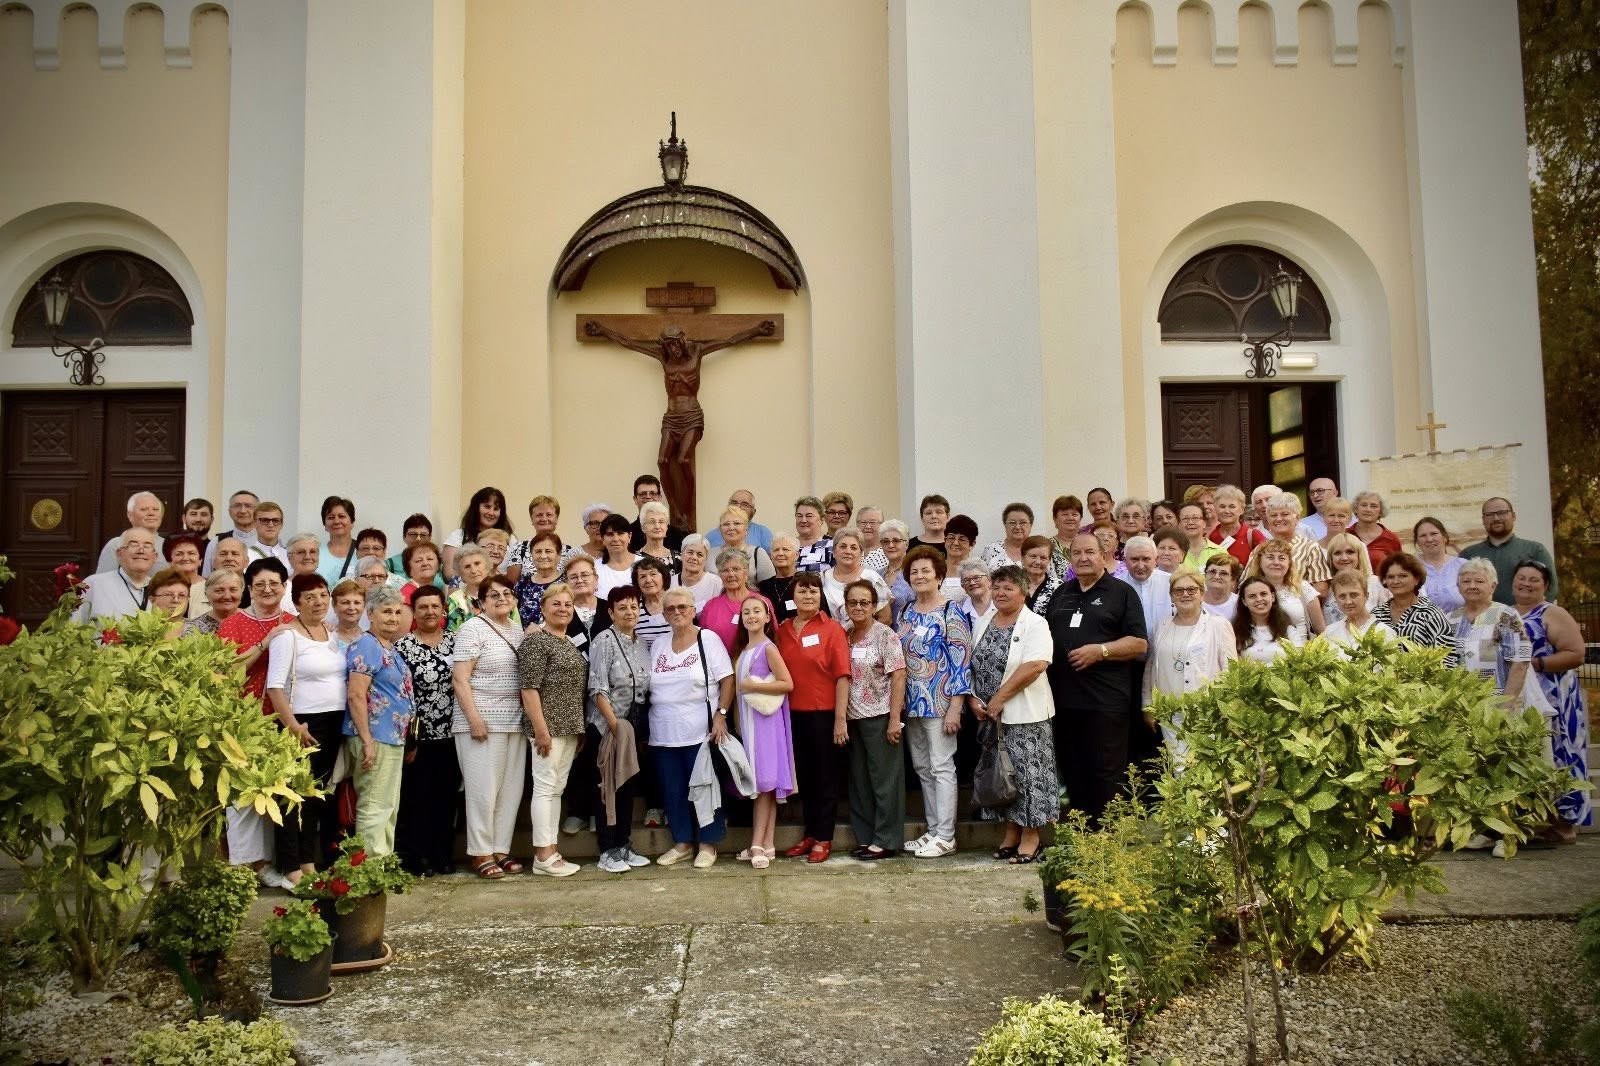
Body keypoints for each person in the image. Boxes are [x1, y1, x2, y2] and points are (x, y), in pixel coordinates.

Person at [1046, 533, 1150, 825]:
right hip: (1064, 702)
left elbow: (1139, 643)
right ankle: (1081, 836)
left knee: (1105, 772)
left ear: (1104, 554)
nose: (1082, 558)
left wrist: (1101, 651)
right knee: (1073, 768)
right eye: (1076, 553)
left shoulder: (1122, 592)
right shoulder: (1061, 593)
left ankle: (1106, 837)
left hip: (1106, 702)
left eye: (1089, 552)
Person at [215, 559, 297, 890]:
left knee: (276, 793)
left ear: (284, 586)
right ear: (249, 588)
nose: (267, 590)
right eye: (260, 584)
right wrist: (266, 642)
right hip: (244, 719)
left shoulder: (294, 621)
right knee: (243, 796)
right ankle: (244, 866)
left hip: (284, 718)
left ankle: (270, 865)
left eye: (274, 584)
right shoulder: (233, 624)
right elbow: (227, 670)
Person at [971, 566, 1058, 863]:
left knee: (1030, 775)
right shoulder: (985, 621)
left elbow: (1035, 665)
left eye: (1008, 588)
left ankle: (1032, 836)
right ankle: (1010, 831)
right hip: (991, 717)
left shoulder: (1035, 624)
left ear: (1024, 592)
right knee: (1003, 776)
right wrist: (975, 699)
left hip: (1026, 714)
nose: (1001, 593)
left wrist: (998, 699)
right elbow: (973, 662)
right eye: (997, 587)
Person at [265, 574, 347, 882]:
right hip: (302, 723)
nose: (318, 602)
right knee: (291, 796)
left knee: (316, 796)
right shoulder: (288, 636)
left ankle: (309, 860)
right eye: (309, 596)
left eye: (323, 595)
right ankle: (291, 866)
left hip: (333, 722)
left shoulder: (332, 633)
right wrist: (293, 726)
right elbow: (275, 688)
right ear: (296, 601)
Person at [647, 587, 734, 868]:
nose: (677, 612)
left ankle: (707, 844)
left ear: (693, 609)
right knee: (673, 790)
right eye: (671, 608)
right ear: (664, 612)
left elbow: (727, 679)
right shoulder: (659, 644)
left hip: (700, 730)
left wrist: (721, 714)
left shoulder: (707, 639)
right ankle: (682, 842)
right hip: (662, 732)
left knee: (705, 787)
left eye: (683, 607)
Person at [897, 547, 972, 858]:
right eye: (914, 572)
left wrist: (956, 706)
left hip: (940, 703)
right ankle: (932, 832)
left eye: (926, 571)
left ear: (940, 576)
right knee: (923, 768)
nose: (919, 576)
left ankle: (947, 836)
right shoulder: (906, 612)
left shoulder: (950, 612)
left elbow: (961, 662)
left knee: (942, 767)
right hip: (911, 703)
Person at [451, 574, 527, 880]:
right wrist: (474, 718)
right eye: (493, 595)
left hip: (514, 723)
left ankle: (500, 849)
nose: (501, 598)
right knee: (483, 790)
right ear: (480, 601)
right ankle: (480, 852)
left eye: (507, 593)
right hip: (481, 721)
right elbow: (460, 679)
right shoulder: (471, 628)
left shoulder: (518, 631)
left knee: (510, 790)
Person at [1511, 560, 1592, 842]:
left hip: (1555, 696)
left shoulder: (1552, 613)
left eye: (1534, 580)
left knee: (1561, 754)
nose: (1526, 584)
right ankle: (1536, 819)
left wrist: (1535, 663)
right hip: (1520, 696)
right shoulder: (1505, 613)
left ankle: (1565, 822)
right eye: (1521, 578)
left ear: (1545, 585)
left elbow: (1576, 653)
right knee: (1530, 756)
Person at [775, 572, 852, 863]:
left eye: (814, 592)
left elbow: (843, 676)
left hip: (823, 715)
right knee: (804, 778)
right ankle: (809, 834)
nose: (808, 596)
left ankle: (824, 837)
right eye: (802, 592)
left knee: (825, 779)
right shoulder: (782, 630)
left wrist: (840, 720)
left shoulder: (832, 629)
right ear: (792, 597)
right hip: (791, 715)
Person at [515, 582, 589, 877]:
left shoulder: (568, 642)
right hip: (548, 728)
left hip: (569, 725)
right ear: (543, 608)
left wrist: (579, 727)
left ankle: (551, 849)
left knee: (556, 789)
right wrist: (540, 730)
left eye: (567, 605)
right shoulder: (537, 641)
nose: (562, 609)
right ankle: (543, 855)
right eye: (556, 604)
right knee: (545, 789)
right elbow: (529, 689)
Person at [587, 586, 655, 873]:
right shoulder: (604, 639)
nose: (629, 612)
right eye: (622, 607)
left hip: (632, 727)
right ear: (611, 612)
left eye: (633, 606)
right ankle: (608, 850)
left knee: (627, 787)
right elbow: (597, 687)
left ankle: (624, 844)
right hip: (608, 727)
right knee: (609, 789)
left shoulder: (640, 644)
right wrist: (614, 726)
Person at [394, 585, 461, 876]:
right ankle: (417, 857)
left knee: (446, 798)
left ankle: (442, 855)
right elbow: (399, 693)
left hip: (453, 733)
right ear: (414, 611)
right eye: (423, 607)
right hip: (417, 736)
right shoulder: (402, 646)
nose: (430, 612)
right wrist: (408, 738)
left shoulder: (457, 642)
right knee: (417, 798)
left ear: (443, 609)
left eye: (435, 606)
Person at [343, 586, 415, 856]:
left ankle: (381, 866)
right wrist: (367, 741)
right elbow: (356, 695)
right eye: (386, 611)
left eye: (398, 612)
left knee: (387, 805)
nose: (393, 617)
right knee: (374, 805)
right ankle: (369, 871)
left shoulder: (389, 647)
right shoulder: (367, 644)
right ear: (370, 614)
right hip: (374, 736)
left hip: (391, 737)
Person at [839, 580, 907, 861]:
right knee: (859, 782)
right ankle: (866, 837)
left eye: (864, 603)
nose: (858, 607)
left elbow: (899, 675)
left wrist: (894, 719)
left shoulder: (885, 635)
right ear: (845, 605)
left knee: (885, 781)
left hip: (879, 716)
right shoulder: (844, 634)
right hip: (852, 718)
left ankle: (887, 839)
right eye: (853, 602)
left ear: (874, 605)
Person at [731, 595, 797, 869]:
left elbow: (787, 684)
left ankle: (756, 842)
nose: (751, 616)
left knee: (763, 783)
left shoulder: (768, 648)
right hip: (749, 723)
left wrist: (753, 686)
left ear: (768, 617)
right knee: (764, 784)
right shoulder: (744, 650)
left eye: (757, 611)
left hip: (766, 724)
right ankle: (768, 843)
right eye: (746, 612)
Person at [1146, 566, 1236, 762]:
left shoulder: (1218, 625)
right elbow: (1151, 667)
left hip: (1207, 713)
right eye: (1179, 590)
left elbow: (1231, 671)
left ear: (1201, 593)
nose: (1185, 594)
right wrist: (1148, 706)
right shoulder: (1161, 626)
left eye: (1191, 590)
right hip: (1172, 714)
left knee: (1206, 770)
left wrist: (1227, 709)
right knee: (1179, 769)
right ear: (1171, 596)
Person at [1119, 534, 1172, 776]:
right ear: (1124, 559)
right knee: (1131, 727)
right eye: (1134, 559)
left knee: (1160, 727)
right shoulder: (1115, 585)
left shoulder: (1171, 583)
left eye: (1146, 559)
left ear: (1156, 558)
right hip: (1126, 668)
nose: (1140, 565)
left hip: (1164, 667)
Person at [1449, 558, 1531, 709]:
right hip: (1460, 707)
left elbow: (1520, 663)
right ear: (1458, 587)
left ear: (1492, 586)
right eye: (1466, 581)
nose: (1472, 586)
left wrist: (1505, 708)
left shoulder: (1507, 615)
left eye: (1479, 581)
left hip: (1497, 706)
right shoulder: (1450, 619)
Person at [1460, 498, 1559, 605]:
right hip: (1479, 619)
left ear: (1513, 516)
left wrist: (1529, 614)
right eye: (1489, 514)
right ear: (1483, 520)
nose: (1496, 518)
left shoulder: (1535, 550)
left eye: (1502, 513)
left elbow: (1551, 589)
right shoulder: (1468, 554)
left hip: (1523, 618)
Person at [1372, 553, 1458, 665]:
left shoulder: (1430, 613)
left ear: (1416, 579)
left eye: (1403, 576)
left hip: (1425, 681)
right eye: (1390, 577)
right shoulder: (1376, 614)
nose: (1396, 581)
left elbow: (1447, 657)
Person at [1244, 537, 1325, 641]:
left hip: (1300, 653)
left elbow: (1321, 631)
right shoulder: (1250, 589)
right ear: (1260, 561)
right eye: (1270, 557)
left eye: (1282, 558)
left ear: (1289, 563)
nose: (1276, 562)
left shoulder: (1303, 588)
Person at [1255, 492, 1331, 597]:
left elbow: (1321, 588)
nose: (1278, 519)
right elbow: (1247, 581)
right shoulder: (1260, 548)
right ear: (1268, 519)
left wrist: (1294, 602)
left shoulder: (1310, 547)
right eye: (1273, 515)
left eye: (1285, 514)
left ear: (1297, 518)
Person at [74, 528, 157, 624]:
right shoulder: (93, 584)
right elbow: (72, 628)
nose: (141, 550)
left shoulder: (160, 589)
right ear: (119, 554)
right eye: (133, 544)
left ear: (155, 557)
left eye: (147, 546)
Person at [699, 548, 773, 653]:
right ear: (720, 575)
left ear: (746, 574)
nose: (731, 574)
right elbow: (703, 640)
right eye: (725, 570)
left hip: (754, 665)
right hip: (719, 667)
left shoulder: (761, 602)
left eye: (736, 569)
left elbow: (773, 637)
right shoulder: (710, 606)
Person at [442, 486, 514, 580]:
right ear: (476, 508)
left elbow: (514, 576)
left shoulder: (510, 539)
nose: (491, 513)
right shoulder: (459, 536)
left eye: (496, 509)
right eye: (487, 507)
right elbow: (449, 573)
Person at [822, 528, 891, 624]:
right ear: (834, 552)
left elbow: (885, 618)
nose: (848, 551)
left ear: (861, 553)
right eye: (843, 546)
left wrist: (863, 638)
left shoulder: (872, 578)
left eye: (853, 548)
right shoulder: (822, 578)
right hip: (831, 637)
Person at [1322, 532, 1387, 626]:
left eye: (1350, 552)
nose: (1344, 558)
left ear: (1359, 555)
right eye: (1337, 553)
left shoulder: (1377, 583)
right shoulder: (1325, 587)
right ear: (1331, 558)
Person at [1320, 571, 1395, 653]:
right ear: (1335, 599)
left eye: (1354, 595)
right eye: (1342, 596)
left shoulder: (1384, 632)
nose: (1348, 602)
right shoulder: (1330, 631)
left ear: (1366, 596)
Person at [1233, 575, 1299, 663]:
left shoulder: (1288, 629)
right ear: (1244, 602)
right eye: (1252, 596)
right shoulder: (1235, 633)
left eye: (1263, 594)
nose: (1259, 599)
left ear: (1272, 597)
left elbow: (1299, 662)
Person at [95, 491, 165, 573]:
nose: (151, 513)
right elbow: (104, 581)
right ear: (130, 515)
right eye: (144, 509)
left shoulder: (168, 545)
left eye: (155, 509)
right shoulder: (116, 544)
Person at [1415, 516, 1466, 615]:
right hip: (1420, 628)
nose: (1429, 539)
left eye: (1434, 534)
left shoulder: (1463, 566)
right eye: (1423, 535)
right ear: (1417, 541)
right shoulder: (1409, 567)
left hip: (1458, 627)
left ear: (1444, 537)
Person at [1209, 484, 1267, 568]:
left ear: (1241, 510)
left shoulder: (1253, 536)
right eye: (1222, 506)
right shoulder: (1210, 536)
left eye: (1232, 507)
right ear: (1215, 509)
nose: (1226, 511)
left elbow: (1264, 566)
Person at [512, 532, 563, 626]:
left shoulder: (567, 582)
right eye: (538, 551)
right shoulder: (522, 584)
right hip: (527, 638)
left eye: (548, 551)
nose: (543, 556)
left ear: (559, 555)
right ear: (531, 555)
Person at [712, 505, 773, 582]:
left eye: (737, 523)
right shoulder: (710, 554)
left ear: (746, 529)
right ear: (720, 529)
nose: (731, 528)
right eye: (726, 524)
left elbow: (770, 588)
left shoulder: (758, 554)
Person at [627, 475, 687, 553]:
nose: (648, 497)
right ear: (635, 499)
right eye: (643, 494)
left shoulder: (678, 536)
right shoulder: (627, 534)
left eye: (652, 493)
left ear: (659, 498)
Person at [203, 491, 258, 574]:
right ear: (229, 511)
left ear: (258, 511)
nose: (243, 511)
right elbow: (207, 579)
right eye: (237, 506)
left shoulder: (267, 543)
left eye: (248, 506)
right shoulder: (216, 542)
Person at [704, 489, 774, 553]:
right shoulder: (710, 537)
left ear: (753, 512)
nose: (738, 507)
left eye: (745, 504)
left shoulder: (763, 533)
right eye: (734, 503)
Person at [182, 566, 243, 638]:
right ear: (206, 594)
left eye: (233, 590)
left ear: (241, 592)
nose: (227, 596)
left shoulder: (255, 621)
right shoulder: (193, 629)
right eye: (219, 591)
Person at [1350, 491, 1402, 573]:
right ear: (1356, 509)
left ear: (1380, 512)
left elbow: (1399, 569)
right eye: (1364, 505)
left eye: (1373, 506)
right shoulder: (1346, 535)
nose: (1368, 509)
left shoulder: (1391, 539)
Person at [445, 545, 492, 632]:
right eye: (467, 567)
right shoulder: (455, 599)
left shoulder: (503, 594)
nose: (473, 570)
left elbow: (515, 629)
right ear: (460, 573)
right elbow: (453, 633)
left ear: (487, 567)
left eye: (477, 563)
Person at [759, 532, 802, 624]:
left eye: (785, 549)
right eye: (776, 550)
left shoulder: (807, 582)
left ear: (796, 555)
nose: (780, 553)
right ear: (770, 556)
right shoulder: (762, 587)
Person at [162, 532, 207, 618]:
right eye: (179, 554)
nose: (185, 558)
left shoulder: (211, 587)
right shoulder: (160, 588)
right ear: (169, 560)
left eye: (191, 553)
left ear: (200, 559)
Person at [595, 514, 641, 599]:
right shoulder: (594, 569)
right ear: (602, 539)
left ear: (629, 536)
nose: (616, 539)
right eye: (610, 534)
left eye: (620, 533)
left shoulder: (643, 564)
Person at [877, 521, 915, 623]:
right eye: (885, 541)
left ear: (906, 544)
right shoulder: (877, 575)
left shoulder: (914, 573)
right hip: (880, 635)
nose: (891, 545)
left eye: (896, 541)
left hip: (906, 634)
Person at [315, 496, 358, 586]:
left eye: (341, 516)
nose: (337, 521)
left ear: (352, 522)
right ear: (325, 525)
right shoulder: (315, 553)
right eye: (331, 518)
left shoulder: (363, 550)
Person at [633, 556, 673, 649]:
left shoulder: (677, 602)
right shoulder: (634, 608)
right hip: (645, 661)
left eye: (653, 574)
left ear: (663, 577)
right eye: (642, 576)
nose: (648, 580)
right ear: (637, 582)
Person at [980, 503, 1034, 570]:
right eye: (1012, 522)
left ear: (1030, 525)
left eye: (1022, 522)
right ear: (1005, 525)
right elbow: (982, 577)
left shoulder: (1039, 550)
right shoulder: (991, 550)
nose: (1017, 527)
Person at [675, 534, 723, 609]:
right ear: (681, 555)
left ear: (706, 559)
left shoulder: (715, 582)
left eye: (699, 555)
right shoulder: (670, 582)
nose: (694, 557)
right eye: (690, 552)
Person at [941, 514, 980, 600]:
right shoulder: (935, 567)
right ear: (945, 540)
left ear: (972, 544)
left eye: (961, 539)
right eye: (951, 538)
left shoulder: (978, 571)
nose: (955, 543)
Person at [1022, 535, 1062, 616]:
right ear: (1022, 558)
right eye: (1033, 556)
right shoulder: (1012, 583)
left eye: (1043, 558)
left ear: (1049, 561)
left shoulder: (1058, 587)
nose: (1038, 562)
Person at [1178, 502, 1225, 570]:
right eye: (1185, 519)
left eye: (1195, 518)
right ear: (1179, 525)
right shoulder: (1173, 552)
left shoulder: (1219, 552)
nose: (1190, 522)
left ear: (1204, 523)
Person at [145, 567, 191, 638]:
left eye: (181, 595)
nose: (176, 600)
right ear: (152, 599)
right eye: (168, 594)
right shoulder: (140, 628)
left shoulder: (198, 630)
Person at [794, 496, 834, 572]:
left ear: (822, 519)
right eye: (799, 516)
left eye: (809, 516)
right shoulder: (789, 546)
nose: (803, 520)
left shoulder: (833, 545)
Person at [1048, 495, 1084, 579]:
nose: (1070, 518)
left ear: (1080, 518)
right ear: (1055, 519)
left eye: (1074, 514)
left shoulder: (1090, 543)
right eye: (1064, 514)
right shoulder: (1047, 546)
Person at [637, 501, 679, 570]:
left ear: (667, 527)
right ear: (643, 527)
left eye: (661, 521)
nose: (657, 526)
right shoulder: (636, 559)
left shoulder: (678, 558)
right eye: (652, 522)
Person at [1296, 477, 1340, 542]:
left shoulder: (1354, 521)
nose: (1315, 495)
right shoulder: (1302, 525)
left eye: (1320, 491)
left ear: (1335, 493)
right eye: (1312, 492)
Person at [956, 559, 994, 632]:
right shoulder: (958, 611)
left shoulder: (1001, 604)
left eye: (976, 578)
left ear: (989, 580)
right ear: (963, 586)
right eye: (966, 580)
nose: (972, 583)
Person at [330, 577, 368, 650]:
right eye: (345, 603)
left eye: (357, 603)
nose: (351, 608)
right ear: (334, 605)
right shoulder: (327, 637)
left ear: (364, 606)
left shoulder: (371, 639)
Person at [1201, 554, 1239, 619]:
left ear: (1233, 579)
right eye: (1212, 572)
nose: (1216, 577)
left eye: (1223, 573)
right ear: (1205, 574)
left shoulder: (1238, 603)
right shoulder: (1195, 600)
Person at [856, 506, 888, 574]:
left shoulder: (889, 552)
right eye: (863, 523)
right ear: (857, 524)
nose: (868, 527)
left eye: (873, 523)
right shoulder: (851, 549)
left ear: (882, 525)